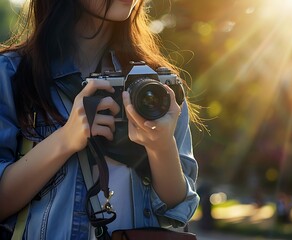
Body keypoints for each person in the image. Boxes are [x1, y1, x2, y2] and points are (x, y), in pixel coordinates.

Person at [0, 0, 199, 239]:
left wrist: (161, 146)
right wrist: (65, 139)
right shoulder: (12, 74)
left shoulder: (157, 85)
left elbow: (178, 209)